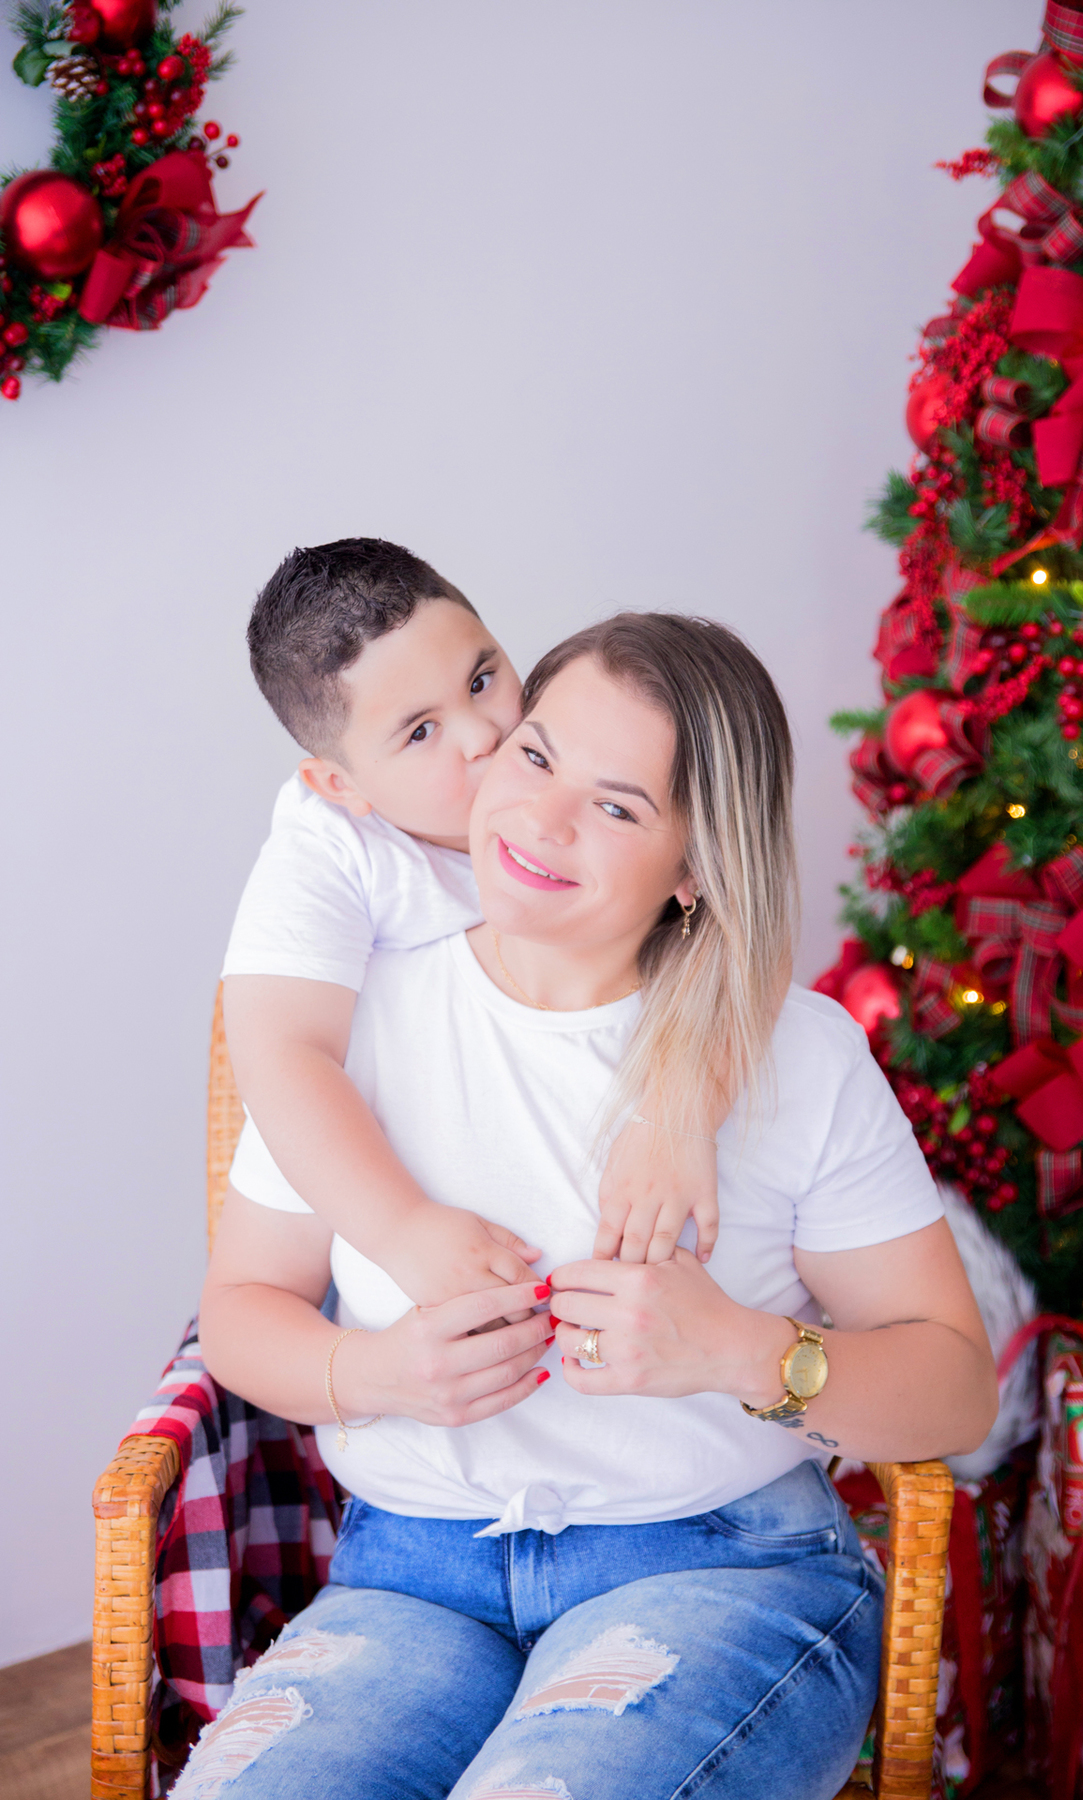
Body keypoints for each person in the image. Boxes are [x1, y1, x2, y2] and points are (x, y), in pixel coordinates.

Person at [186, 612, 997, 1800]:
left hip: (722, 1573)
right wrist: (375, 1376)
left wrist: (740, 1347)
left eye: (618, 807)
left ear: (694, 868)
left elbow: (957, 1386)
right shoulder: (353, 1027)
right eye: (535, 756)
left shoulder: (795, 1058)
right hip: (410, 1580)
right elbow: (242, 1311)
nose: (542, 818)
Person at [221, 539, 724, 1318]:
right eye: (420, 732)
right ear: (340, 784)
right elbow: (280, 1052)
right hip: (419, 1155)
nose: (483, 734)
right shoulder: (330, 850)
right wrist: (401, 1228)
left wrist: (676, 1113)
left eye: (483, 679)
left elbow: (733, 928)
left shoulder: (578, 780)